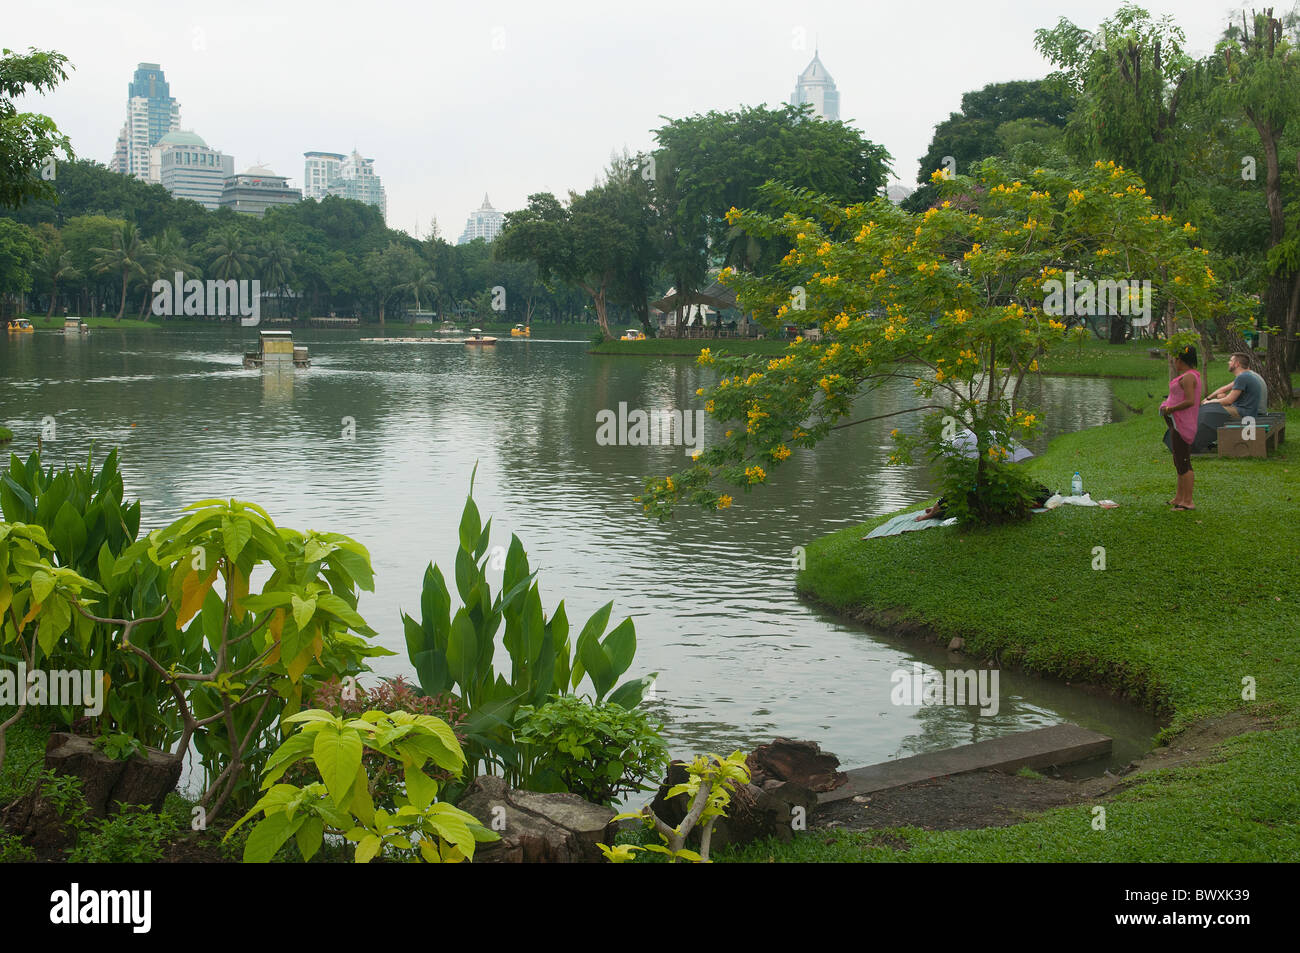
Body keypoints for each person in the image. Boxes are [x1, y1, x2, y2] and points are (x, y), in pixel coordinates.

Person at [1160, 345, 1204, 510]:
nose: (1174, 363)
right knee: (1178, 460)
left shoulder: (1189, 378)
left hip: (1182, 424)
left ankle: (1188, 501)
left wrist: (1171, 409)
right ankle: (1179, 497)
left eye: (1176, 359)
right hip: (1175, 423)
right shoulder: (1187, 376)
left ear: (1181, 360)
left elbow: (1190, 401)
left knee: (1184, 462)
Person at [1202, 351, 1267, 421]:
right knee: (1219, 398)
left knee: (1210, 410)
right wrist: (1211, 400)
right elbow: (1226, 393)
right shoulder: (1247, 375)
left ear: (1237, 364)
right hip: (1247, 411)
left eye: (1231, 361)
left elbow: (1229, 400)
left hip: (1243, 413)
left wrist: (1209, 402)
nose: (1228, 362)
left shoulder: (1242, 377)